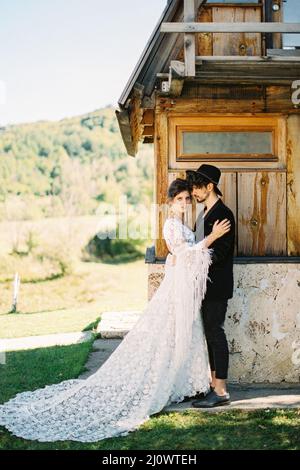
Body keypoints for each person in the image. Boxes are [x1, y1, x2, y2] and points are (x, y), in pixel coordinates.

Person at [0, 179, 230, 443]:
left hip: (184, 287)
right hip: (176, 289)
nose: (185, 203)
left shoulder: (184, 224)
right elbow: (183, 253)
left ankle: (187, 383)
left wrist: (187, 254)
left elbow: (185, 256)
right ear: (170, 202)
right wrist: (211, 238)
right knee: (169, 332)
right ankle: (167, 381)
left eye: (188, 199)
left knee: (186, 332)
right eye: (180, 199)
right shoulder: (170, 225)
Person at [187, 165, 236, 408]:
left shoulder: (223, 215)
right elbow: (200, 247)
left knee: (216, 333)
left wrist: (196, 256)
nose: (193, 192)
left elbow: (219, 254)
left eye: (197, 187)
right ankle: (214, 386)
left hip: (217, 286)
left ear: (210, 186)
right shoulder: (203, 214)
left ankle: (222, 390)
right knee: (209, 334)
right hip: (203, 286)